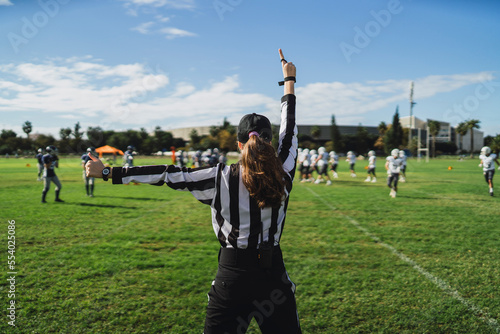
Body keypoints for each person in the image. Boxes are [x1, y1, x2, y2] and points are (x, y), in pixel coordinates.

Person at [86, 49, 301, 334]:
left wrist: (107, 172)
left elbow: (167, 173)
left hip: (233, 275)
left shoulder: (219, 177)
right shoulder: (284, 169)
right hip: (272, 274)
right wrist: (289, 80)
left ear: (238, 144)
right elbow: (290, 126)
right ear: (270, 142)